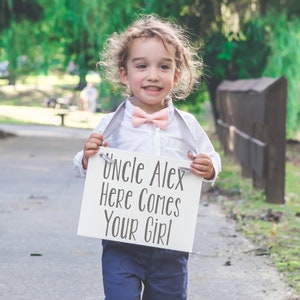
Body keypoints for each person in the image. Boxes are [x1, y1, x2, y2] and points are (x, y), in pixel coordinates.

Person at [73, 14, 221, 300]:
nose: (153, 75)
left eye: (164, 67)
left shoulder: (187, 124)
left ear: (176, 75)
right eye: (142, 66)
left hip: (170, 242)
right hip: (121, 241)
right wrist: (87, 157)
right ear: (125, 73)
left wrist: (210, 167)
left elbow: (212, 158)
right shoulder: (111, 124)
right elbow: (84, 164)